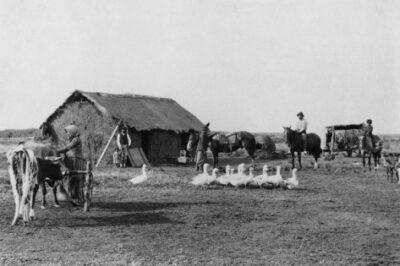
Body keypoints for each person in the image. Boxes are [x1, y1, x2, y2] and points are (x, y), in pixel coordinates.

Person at [56, 124, 83, 201]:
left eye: (68, 132)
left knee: (73, 177)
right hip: (70, 159)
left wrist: (56, 151)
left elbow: (67, 148)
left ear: (73, 132)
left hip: (75, 160)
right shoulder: (71, 140)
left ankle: (73, 194)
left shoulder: (76, 140)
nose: (67, 134)